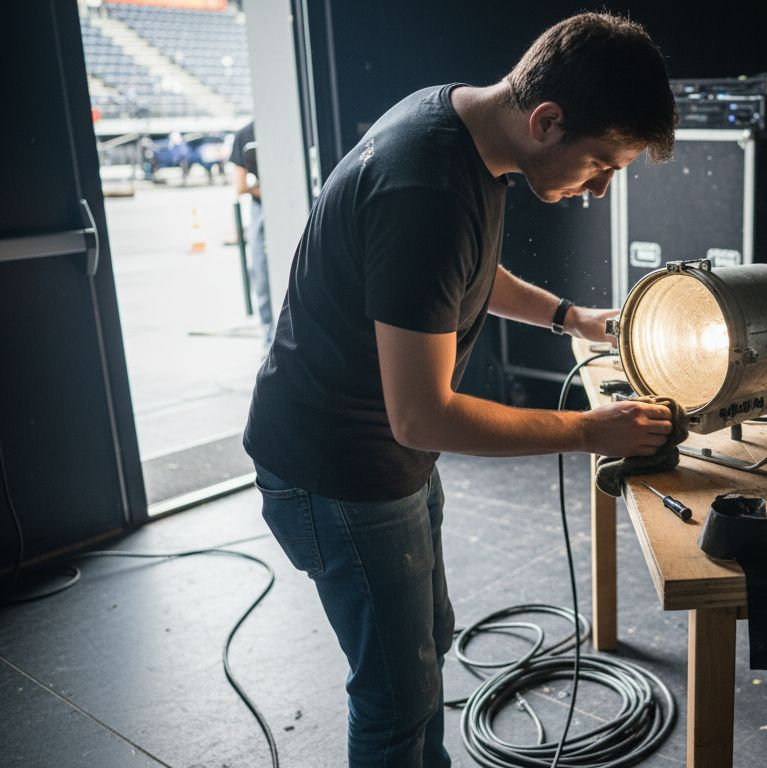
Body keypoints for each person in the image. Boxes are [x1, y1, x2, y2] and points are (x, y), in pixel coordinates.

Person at [242, 13, 677, 768]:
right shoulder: (426, 190)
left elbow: (459, 273)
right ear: (547, 121)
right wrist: (591, 430)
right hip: (334, 473)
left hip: (375, 458)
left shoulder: (455, 124)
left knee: (428, 644)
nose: (602, 188)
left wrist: (571, 317)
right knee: (394, 698)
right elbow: (422, 417)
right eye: (601, 163)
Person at [230, 121, 273, 345]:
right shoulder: (245, 134)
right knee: (260, 271)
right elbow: (240, 186)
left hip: (274, 203)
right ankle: (269, 337)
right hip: (262, 206)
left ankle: (271, 336)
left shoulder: (248, 132)